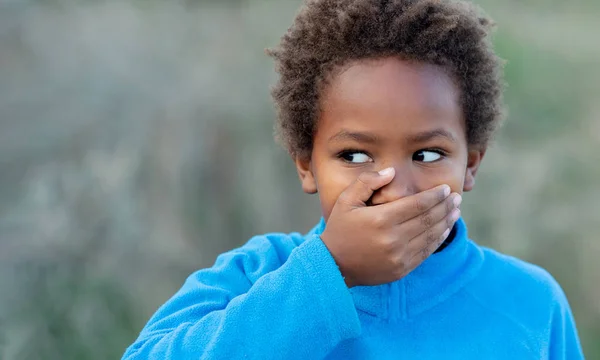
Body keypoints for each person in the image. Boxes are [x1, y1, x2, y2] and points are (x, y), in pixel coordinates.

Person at [122, 0, 584, 358]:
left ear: (471, 165)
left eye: (427, 154)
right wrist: (331, 271)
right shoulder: (255, 276)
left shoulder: (530, 303)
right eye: (355, 154)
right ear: (306, 164)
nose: (395, 187)